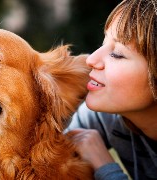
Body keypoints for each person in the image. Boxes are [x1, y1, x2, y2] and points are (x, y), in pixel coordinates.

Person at [65, 0, 157, 179]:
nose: (91, 59)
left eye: (117, 54)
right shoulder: (108, 117)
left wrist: (105, 167)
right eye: (104, 42)